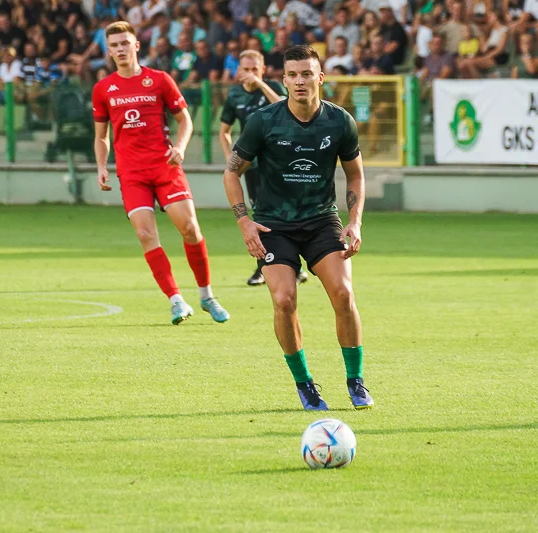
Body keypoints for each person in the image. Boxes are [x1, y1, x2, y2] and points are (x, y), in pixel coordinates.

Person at [222, 44, 374, 411]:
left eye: (307, 73)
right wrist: (245, 221)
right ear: (284, 79)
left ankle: (356, 381)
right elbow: (231, 172)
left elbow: (355, 175)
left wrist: (354, 222)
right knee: (284, 299)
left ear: (320, 78)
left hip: (322, 220)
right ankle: (305, 385)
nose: (299, 81)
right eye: (292, 74)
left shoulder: (340, 121)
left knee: (343, 294)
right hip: (274, 225)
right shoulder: (263, 121)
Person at [91, 21, 230, 325]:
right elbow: (101, 136)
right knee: (144, 234)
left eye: (125, 43)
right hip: (131, 172)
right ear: (108, 50)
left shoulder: (159, 80)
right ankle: (176, 300)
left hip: (165, 166)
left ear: (136, 45)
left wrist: (180, 147)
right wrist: (102, 166)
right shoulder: (103, 88)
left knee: (190, 228)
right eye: (114, 45)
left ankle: (207, 296)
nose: (120, 49)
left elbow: (186, 120)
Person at [218, 50, 311, 287]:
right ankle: (268, 265)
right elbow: (224, 132)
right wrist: (231, 161)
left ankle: (290, 264)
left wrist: (260, 85)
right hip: (252, 164)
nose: (249, 74)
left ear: (262, 70)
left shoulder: (272, 88)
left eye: (254, 69)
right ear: (238, 71)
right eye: (245, 69)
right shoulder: (234, 95)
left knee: (288, 212)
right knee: (260, 214)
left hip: (280, 162)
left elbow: (284, 106)